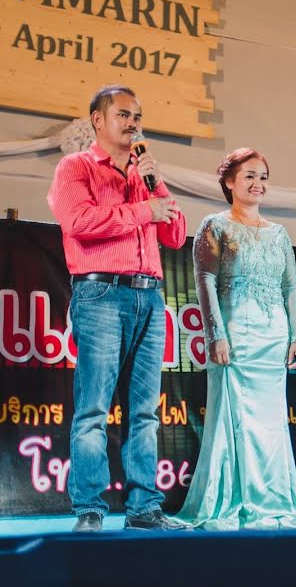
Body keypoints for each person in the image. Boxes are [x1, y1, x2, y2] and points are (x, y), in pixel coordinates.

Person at [47, 85, 187, 532]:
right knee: (94, 409)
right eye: (124, 115)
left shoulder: (144, 173)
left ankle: (145, 508)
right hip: (102, 294)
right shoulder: (76, 167)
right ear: (97, 120)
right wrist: (145, 210)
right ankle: (89, 507)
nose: (133, 123)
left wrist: (153, 181)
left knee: (145, 411)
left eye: (138, 116)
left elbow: (177, 235)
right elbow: (79, 222)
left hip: (149, 294)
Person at [176, 149, 296, 530]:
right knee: (233, 420)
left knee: (270, 424)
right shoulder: (214, 226)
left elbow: (291, 286)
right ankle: (231, 500)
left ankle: (271, 500)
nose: (258, 184)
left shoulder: (278, 234)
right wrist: (215, 334)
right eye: (250, 176)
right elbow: (204, 281)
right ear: (229, 182)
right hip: (234, 336)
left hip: (273, 337)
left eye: (264, 177)